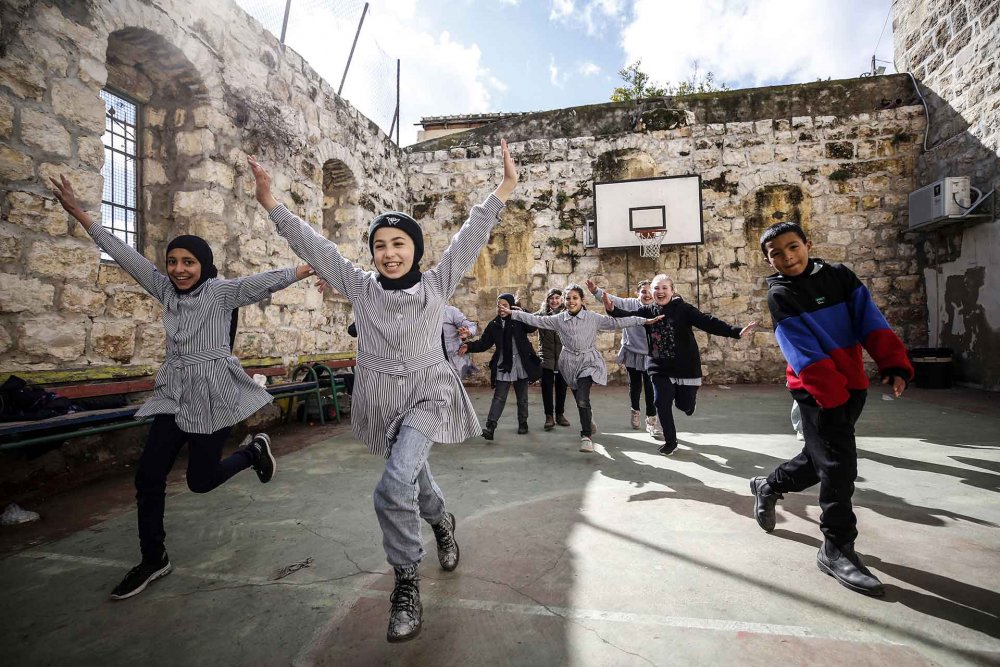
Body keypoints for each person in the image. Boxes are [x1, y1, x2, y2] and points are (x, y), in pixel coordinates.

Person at [248, 140, 518, 643]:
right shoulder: (360, 287)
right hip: (380, 403)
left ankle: (406, 581)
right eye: (380, 245)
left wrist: (503, 187)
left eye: (399, 243)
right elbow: (316, 247)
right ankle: (442, 524)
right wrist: (270, 203)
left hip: (426, 396)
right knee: (414, 481)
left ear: (414, 248)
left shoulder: (437, 285)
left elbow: (471, 234)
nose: (389, 253)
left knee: (393, 486)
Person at [50, 175, 315, 601]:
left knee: (201, 481)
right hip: (174, 394)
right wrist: (81, 214)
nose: (178, 269)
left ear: (202, 265)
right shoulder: (164, 291)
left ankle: (251, 452)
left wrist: (305, 268)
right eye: (172, 261)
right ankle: (153, 559)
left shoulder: (220, 293)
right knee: (148, 477)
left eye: (188, 262)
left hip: (209, 396)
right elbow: (125, 254)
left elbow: (263, 281)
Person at [749, 221, 912, 597]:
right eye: (776, 253)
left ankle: (767, 485)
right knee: (839, 466)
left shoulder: (839, 276)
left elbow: (870, 320)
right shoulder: (780, 294)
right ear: (768, 260)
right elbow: (803, 351)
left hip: (852, 385)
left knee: (819, 459)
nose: (787, 257)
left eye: (793, 247)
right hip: (816, 390)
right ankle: (836, 547)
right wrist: (830, 397)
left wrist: (893, 363)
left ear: (808, 243)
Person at [604, 275, 756, 455]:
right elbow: (626, 315)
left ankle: (688, 404)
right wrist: (612, 309)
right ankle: (670, 441)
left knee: (684, 406)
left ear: (672, 290)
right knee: (661, 402)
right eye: (656, 288)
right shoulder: (647, 310)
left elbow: (708, 322)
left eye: (664, 288)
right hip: (658, 366)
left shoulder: (684, 309)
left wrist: (736, 332)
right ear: (652, 292)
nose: (660, 292)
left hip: (686, 366)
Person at [501, 285, 660, 453]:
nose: (571, 302)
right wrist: (513, 313)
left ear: (582, 300)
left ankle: (586, 436)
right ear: (564, 300)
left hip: (589, 361)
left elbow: (617, 322)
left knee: (583, 397)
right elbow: (537, 321)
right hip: (569, 363)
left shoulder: (592, 318)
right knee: (580, 399)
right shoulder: (559, 319)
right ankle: (588, 419)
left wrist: (643, 321)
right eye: (568, 298)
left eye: (575, 298)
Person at [459, 293, 541, 439]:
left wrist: (522, 313)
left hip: (521, 363)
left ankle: (523, 423)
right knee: (499, 397)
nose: (501, 308)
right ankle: (491, 427)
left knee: (522, 397)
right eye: (499, 305)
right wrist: (468, 346)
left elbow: (532, 327)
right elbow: (484, 343)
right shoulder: (494, 325)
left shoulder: (519, 319)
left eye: (505, 305)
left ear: (511, 306)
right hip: (504, 365)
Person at [587, 279, 656, 435]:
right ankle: (635, 411)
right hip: (632, 350)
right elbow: (610, 298)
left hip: (651, 354)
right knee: (635, 385)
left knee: (651, 387)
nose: (647, 294)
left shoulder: (657, 306)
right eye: (643, 291)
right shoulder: (630, 304)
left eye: (650, 291)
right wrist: (595, 291)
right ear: (637, 293)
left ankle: (652, 420)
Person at [534, 288, 570, 431]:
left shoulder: (568, 315)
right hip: (546, 358)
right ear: (547, 300)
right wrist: (519, 312)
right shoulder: (541, 315)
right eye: (551, 298)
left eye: (557, 298)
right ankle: (549, 417)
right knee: (547, 389)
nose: (554, 301)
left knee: (562, 388)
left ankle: (560, 415)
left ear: (562, 299)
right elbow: (528, 322)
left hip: (563, 358)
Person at [442, 304, 478, 380]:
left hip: (453, 359)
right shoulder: (420, 312)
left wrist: (468, 332)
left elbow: (471, 326)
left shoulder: (450, 311)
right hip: (432, 358)